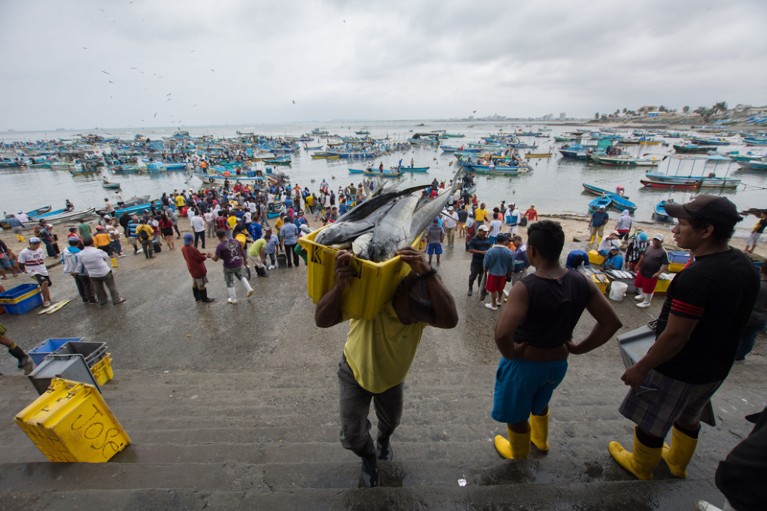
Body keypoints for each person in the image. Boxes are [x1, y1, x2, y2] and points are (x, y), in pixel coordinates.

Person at [608, 195, 759, 482]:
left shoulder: (696, 278)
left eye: (683, 224)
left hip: (677, 368)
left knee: (651, 422)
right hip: (716, 366)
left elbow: (676, 335)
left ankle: (641, 466)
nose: (675, 230)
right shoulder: (743, 265)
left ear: (707, 230)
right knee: (690, 416)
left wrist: (641, 367)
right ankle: (678, 462)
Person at [314, 247, 458, 487]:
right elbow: (321, 320)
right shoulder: (372, 303)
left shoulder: (419, 316)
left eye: (420, 318)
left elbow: (451, 320)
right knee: (351, 436)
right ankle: (369, 457)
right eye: (411, 312)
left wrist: (428, 273)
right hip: (354, 372)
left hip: (392, 379)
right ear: (399, 292)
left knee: (391, 422)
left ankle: (383, 440)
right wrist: (339, 287)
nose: (413, 321)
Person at [492, 220, 621, 460]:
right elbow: (611, 322)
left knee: (517, 415)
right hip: (558, 364)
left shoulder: (526, 286)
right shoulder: (581, 281)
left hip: (525, 366)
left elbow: (502, 333)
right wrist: (580, 348)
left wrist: (510, 353)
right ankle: (540, 440)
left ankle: (518, 452)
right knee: (540, 401)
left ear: (532, 250)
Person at [78, 237, 126, 306]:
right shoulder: (97, 251)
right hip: (104, 271)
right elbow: (106, 256)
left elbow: (80, 264)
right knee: (111, 286)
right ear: (92, 243)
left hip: (92, 274)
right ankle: (116, 299)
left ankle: (102, 300)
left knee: (98, 288)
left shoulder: (80, 254)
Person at [735, 263, 767, 361]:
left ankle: (735, 354)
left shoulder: (758, 285)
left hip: (748, 316)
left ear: (761, 270)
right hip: (761, 319)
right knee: (749, 337)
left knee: (738, 336)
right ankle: (740, 355)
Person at [212, 229, 254, 304]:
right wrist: (244, 259)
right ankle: (249, 288)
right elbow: (241, 250)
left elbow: (215, 259)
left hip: (228, 266)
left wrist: (210, 256)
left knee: (229, 281)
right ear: (225, 234)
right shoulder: (235, 241)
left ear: (218, 237)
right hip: (238, 262)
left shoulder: (220, 246)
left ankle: (233, 299)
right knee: (241, 275)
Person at [633, 233, 669, 308]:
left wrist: (659, 273)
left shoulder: (663, 252)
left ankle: (647, 302)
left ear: (661, 241)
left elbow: (666, 264)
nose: (656, 241)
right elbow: (643, 256)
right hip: (643, 270)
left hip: (652, 273)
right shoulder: (649, 246)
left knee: (649, 289)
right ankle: (642, 295)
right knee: (639, 284)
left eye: (658, 240)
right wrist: (638, 265)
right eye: (655, 239)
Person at [17, 237, 53, 307]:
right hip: (33, 271)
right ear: (30, 244)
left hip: (42, 269)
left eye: (38, 244)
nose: (36, 246)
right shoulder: (24, 252)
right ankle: (45, 300)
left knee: (46, 284)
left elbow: (42, 259)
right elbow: (21, 263)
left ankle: (48, 298)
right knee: (44, 282)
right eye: (34, 244)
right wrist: (24, 270)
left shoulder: (40, 250)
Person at [483, 233, 514, 310]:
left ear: (496, 241)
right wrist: (509, 274)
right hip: (504, 274)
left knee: (493, 290)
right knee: (500, 288)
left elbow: (485, 264)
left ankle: (493, 305)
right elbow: (512, 266)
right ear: (504, 241)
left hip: (493, 273)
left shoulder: (490, 251)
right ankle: (499, 300)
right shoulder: (509, 252)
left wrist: (485, 270)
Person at [181, 233, 215, 303]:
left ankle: (197, 297)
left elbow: (194, 256)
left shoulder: (183, 248)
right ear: (192, 241)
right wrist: (207, 256)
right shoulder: (193, 249)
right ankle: (204, 299)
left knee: (195, 282)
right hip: (198, 269)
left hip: (191, 268)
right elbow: (201, 258)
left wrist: (201, 253)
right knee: (201, 284)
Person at [61, 236, 96, 304]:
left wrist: (70, 270)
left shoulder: (65, 251)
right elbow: (82, 263)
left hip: (72, 271)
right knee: (88, 284)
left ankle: (84, 298)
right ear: (78, 242)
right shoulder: (79, 252)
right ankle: (91, 299)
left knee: (79, 284)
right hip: (81, 271)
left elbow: (63, 261)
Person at [467, 225, 492, 297]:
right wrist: (481, 252)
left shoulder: (487, 239)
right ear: (479, 231)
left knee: (482, 277)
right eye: (484, 232)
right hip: (476, 262)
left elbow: (489, 248)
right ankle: (470, 288)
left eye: (486, 232)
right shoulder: (474, 239)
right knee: (473, 276)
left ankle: (480, 289)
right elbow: (470, 250)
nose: (485, 233)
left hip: (484, 262)